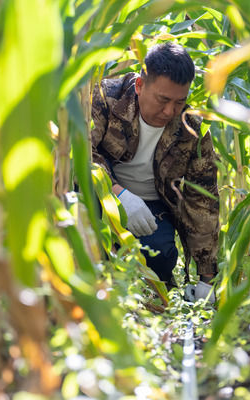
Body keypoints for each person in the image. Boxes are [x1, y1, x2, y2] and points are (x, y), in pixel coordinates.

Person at [90, 42, 218, 302]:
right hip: (101, 197)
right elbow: (78, 153)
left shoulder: (192, 128)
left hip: (153, 208)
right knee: (92, 247)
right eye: (163, 100)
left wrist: (207, 279)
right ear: (139, 86)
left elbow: (202, 200)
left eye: (179, 102)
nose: (170, 111)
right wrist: (118, 194)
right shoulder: (105, 99)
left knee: (160, 258)